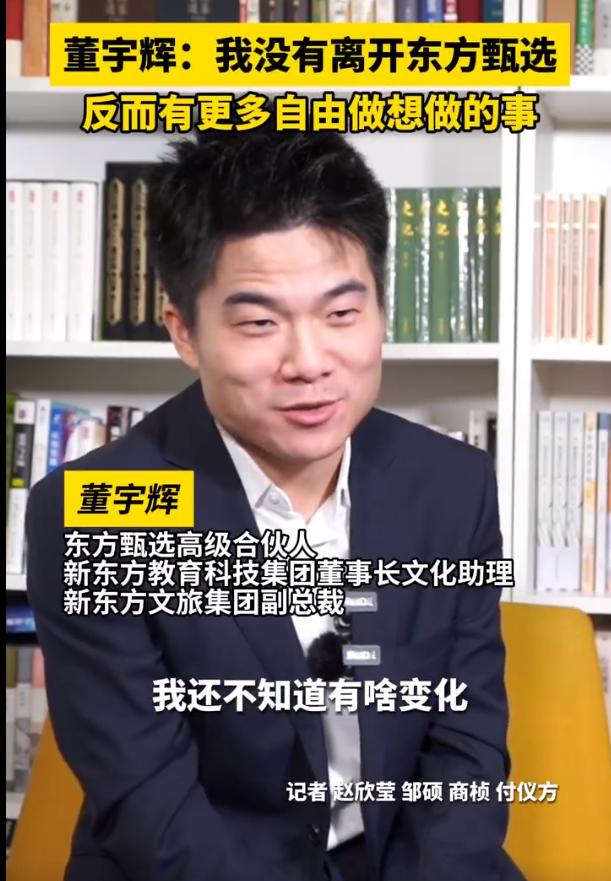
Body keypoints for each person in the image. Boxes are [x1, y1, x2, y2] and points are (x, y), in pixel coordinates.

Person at [25, 123, 527, 881]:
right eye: (260, 322)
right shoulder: (100, 509)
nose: (309, 362)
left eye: (341, 314)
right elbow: (152, 806)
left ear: (381, 310)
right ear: (185, 332)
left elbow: (464, 749)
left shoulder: (449, 484)